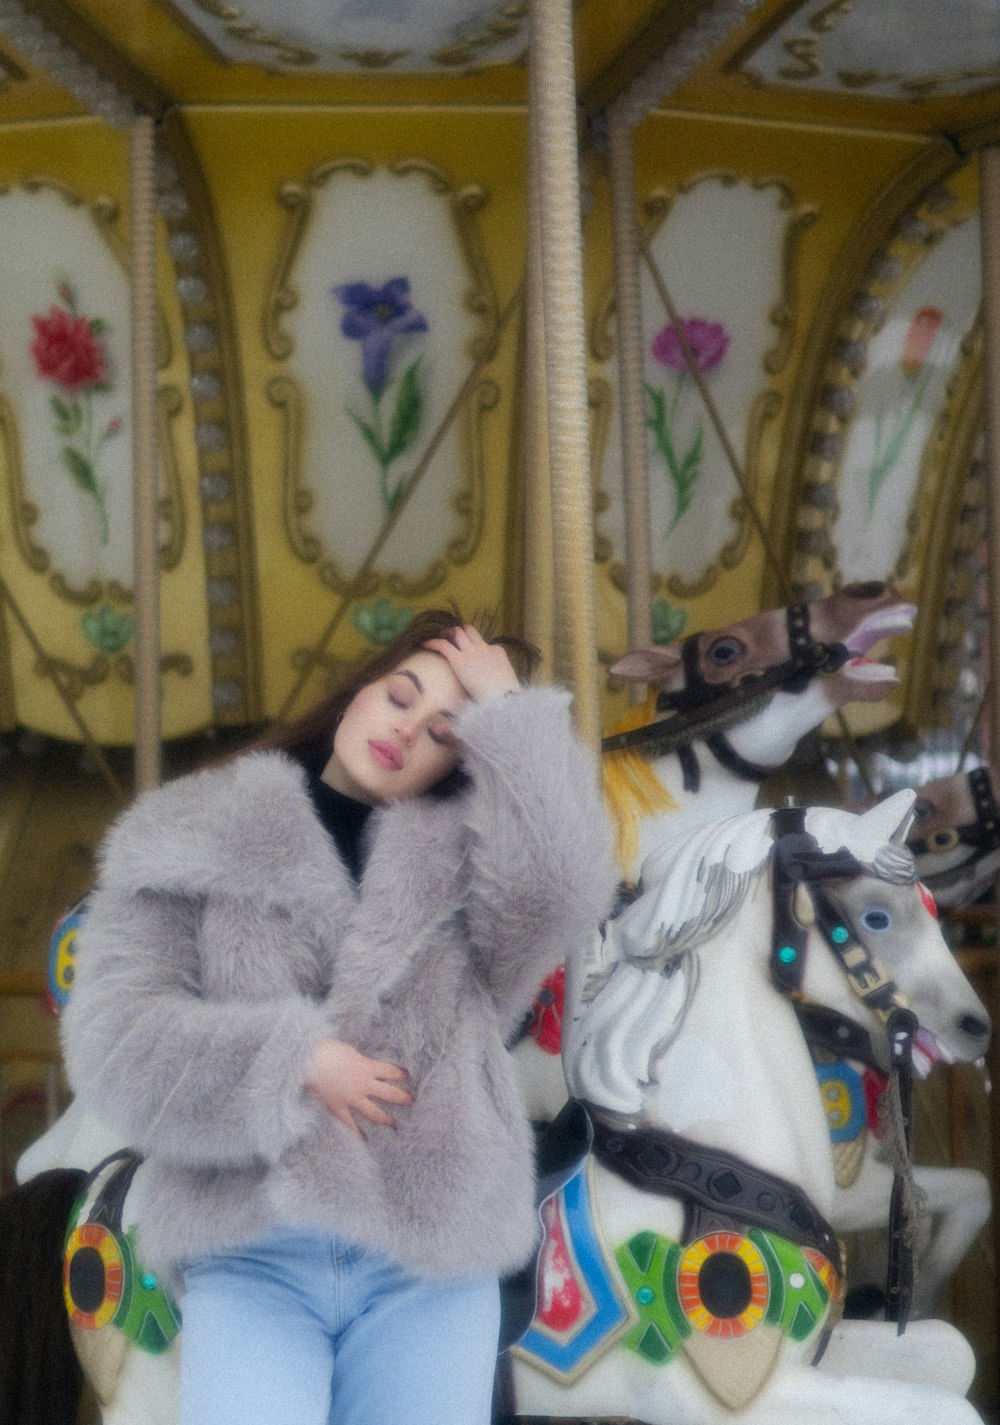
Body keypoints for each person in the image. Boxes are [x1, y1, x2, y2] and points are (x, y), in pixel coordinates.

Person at [61, 609, 617, 1425]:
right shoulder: (185, 837)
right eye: (400, 695)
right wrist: (294, 1061)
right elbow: (116, 1037)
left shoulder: (478, 880)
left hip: (425, 1258)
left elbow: (569, 890)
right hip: (253, 1250)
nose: (408, 729)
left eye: (446, 730)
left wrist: (515, 717)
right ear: (359, 691)